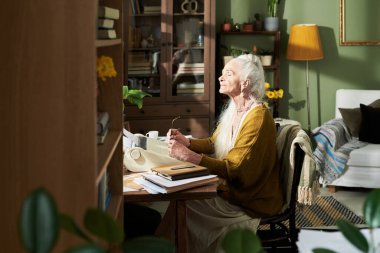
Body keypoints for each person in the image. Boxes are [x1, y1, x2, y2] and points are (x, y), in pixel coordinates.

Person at [165, 54, 284, 252]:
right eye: (222, 74)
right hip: (231, 190)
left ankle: (168, 247)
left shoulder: (257, 117)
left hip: (249, 199)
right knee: (183, 201)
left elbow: (234, 168)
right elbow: (214, 143)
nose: (220, 78)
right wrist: (187, 142)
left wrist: (189, 156)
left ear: (245, 83)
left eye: (228, 74)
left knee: (186, 205)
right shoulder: (235, 109)